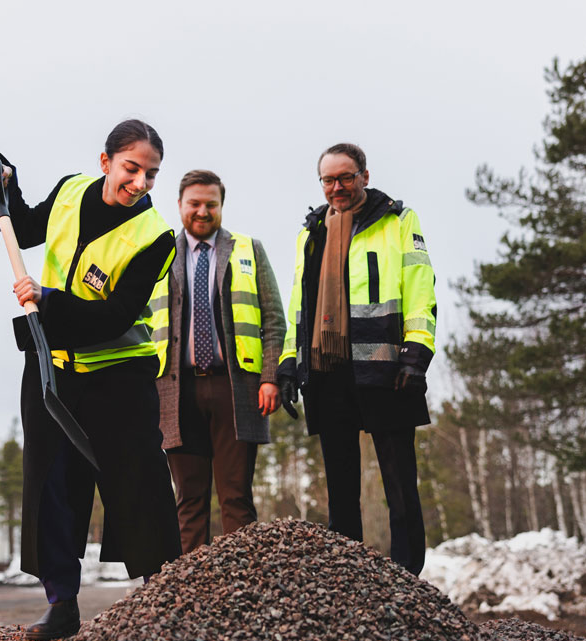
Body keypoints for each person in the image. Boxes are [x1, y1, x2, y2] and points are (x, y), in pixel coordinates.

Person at [0, 119, 182, 641]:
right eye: (131, 168)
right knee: (51, 483)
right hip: (52, 365)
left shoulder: (156, 236)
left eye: (150, 174)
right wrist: (4, 186)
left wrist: (47, 299)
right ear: (105, 162)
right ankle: (62, 604)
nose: (139, 182)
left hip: (119, 374)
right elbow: (27, 228)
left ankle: (163, 599)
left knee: (138, 482)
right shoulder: (72, 191)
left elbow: (116, 316)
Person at [277, 142, 436, 576]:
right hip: (327, 369)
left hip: (387, 365)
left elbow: (420, 286)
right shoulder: (310, 233)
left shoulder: (398, 220)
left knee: (399, 481)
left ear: (365, 176)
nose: (337, 187)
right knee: (340, 484)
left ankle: (408, 574)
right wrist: (289, 362)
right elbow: (299, 304)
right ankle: (348, 576)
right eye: (328, 180)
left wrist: (416, 352)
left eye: (346, 177)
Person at [147, 170, 286, 554]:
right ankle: (191, 585)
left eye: (211, 204)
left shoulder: (249, 249)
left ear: (221, 205)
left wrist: (270, 377)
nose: (202, 211)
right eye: (194, 203)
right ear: (180, 205)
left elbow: (274, 320)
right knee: (188, 499)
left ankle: (242, 579)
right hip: (175, 391)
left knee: (236, 495)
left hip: (236, 388)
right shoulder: (159, 253)